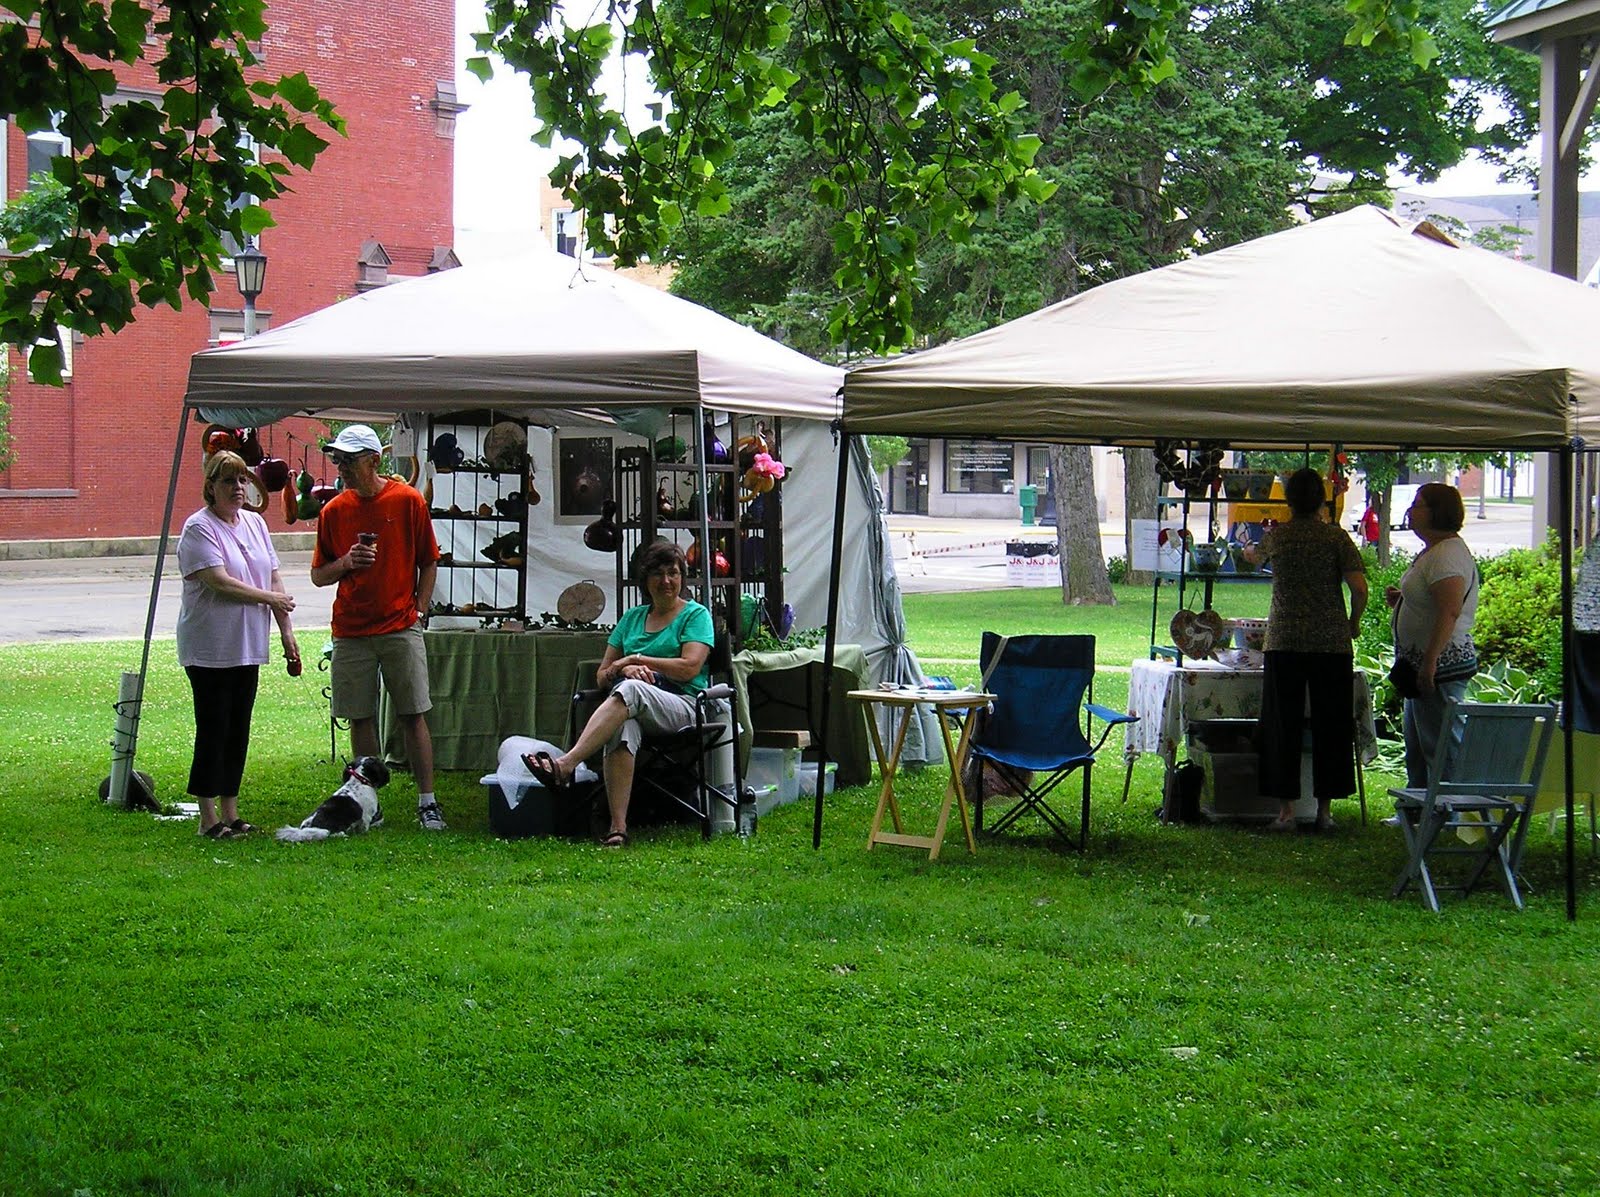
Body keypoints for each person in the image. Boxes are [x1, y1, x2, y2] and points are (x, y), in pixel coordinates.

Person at [526, 540, 715, 847]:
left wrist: (637, 660)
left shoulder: (696, 615)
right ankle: (618, 828)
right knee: (622, 726)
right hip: (636, 705)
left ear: (683, 577)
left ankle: (566, 764)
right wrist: (622, 669)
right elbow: (602, 675)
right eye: (658, 574)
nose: (666, 581)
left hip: (684, 705)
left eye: (673, 573)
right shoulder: (632, 618)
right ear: (645, 581)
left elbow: (690, 668)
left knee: (630, 691)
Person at [310, 424, 445, 830]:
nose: (341, 468)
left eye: (348, 460)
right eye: (337, 460)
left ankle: (428, 801)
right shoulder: (333, 511)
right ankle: (369, 802)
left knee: (413, 713)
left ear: (374, 460)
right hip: (351, 630)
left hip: (400, 626)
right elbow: (319, 575)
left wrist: (419, 610)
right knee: (360, 716)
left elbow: (429, 560)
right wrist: (346, 563)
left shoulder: (407, 502)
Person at [177, 450, 299, 839]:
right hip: (210, 647)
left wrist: (286, 631)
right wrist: (271, 600)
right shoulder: (199, 528)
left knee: (238, 728)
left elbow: (273, 577)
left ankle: (231, 811)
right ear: (211, 488)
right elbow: (220, 581)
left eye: (243, 480)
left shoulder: (254, 525)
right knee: (214, 726)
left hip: (248, 644)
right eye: (229, 481)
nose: (238, 488)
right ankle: (207, 816)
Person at [1252, 466, 1369, 832]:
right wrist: (1353, 621)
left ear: (1288, 500)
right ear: (1321, 499)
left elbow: (1253, 557)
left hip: (1284, 639)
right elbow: (1360, 587)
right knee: (1331, 724)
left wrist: (1250, 551)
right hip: (1331, 642)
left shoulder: (1279, 538)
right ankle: (1324, 811)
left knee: (1281, 722)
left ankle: (1285, 811)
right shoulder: (1336, 539)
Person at [1385, 483, 1478, 787]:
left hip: (1439, 667)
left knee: (1440, 742)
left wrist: (1430, 662)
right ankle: (1418, 807)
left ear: (1438, 512)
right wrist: (1405, 599)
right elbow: (1433, 599)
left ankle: (1448, 806)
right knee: (1417, 740)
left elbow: (1449, 610)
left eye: (1418, 504)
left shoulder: (1447, 555)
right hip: (1419, 665)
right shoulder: (1435, 551)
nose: (1411, 510)